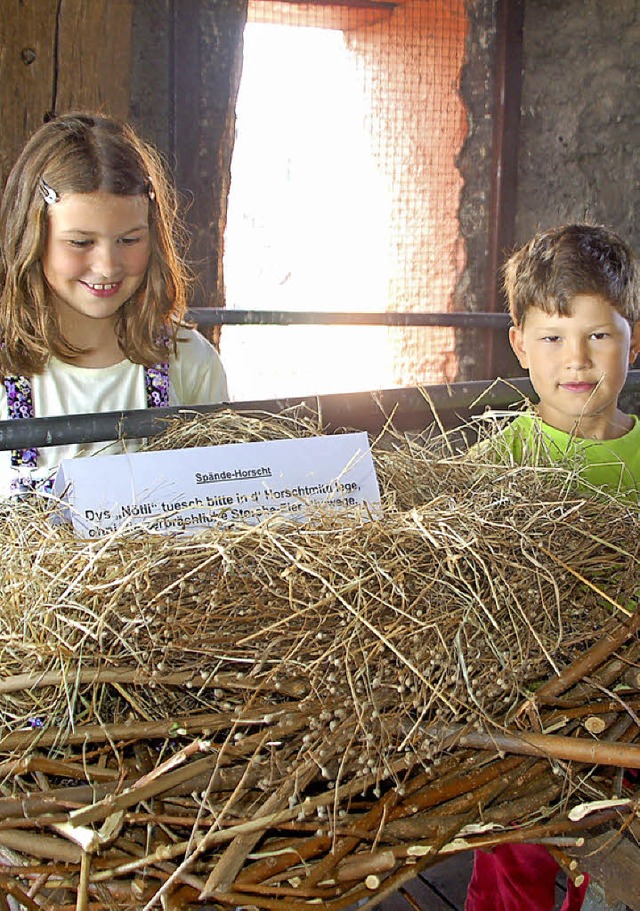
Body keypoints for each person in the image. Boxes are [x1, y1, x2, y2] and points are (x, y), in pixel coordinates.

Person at [465, 223, 640, 911]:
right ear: (518, 345)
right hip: (531, 714)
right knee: (515, 855)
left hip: (631, 713)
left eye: (599, 335)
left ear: (633, 336)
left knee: (619, 869)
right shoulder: (494, 467)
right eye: (553, 337)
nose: (577, 359)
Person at [0, 112, 228, 495]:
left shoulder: (188, 360)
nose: (106, 266)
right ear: (32, 237)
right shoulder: (7, 367)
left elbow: (222, 497)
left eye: (129, 240)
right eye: (79, 242)